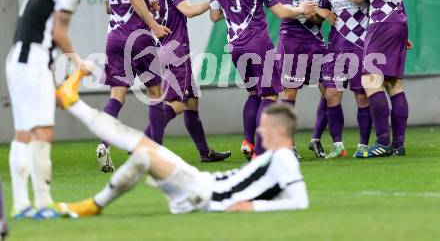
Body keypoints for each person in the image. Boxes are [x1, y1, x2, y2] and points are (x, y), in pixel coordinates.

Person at [54, 72, 309, 215]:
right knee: (141, 147)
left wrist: (252, 206)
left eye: (264, 125)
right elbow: (280, 192)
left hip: (203, 194)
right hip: (200, 182)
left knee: (141, 150)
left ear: (278, 130)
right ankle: (71, 102)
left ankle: (93, 205)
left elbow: (299, 202)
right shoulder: (276, 158)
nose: (259, 129)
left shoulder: (284, 158)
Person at [5, 0, 111, 218]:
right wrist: (79, 63)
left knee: (24, 133)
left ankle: (23, 205)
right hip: (31, 61)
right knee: (41, 132)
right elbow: (59, 33)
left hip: (20, 60)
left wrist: (52, 86)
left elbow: (44, 36)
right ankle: (42, 204)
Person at [209, 0, 317, 158]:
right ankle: (260, 151)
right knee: (268, 96)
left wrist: (231, 10)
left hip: (236, 48)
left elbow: (214, 15)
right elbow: (280, 12)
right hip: (259, 45)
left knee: (252, 93)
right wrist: (301, 9)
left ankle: (249, 142)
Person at [329, 0, 410, 157]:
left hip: (382, 22)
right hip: (398, 18)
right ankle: (398, 144)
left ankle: (383, 142)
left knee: (370, 80)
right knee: (393, 83)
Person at [143, 0, 231, 162]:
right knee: (178, 103)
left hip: (164, 49)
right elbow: (188, 11)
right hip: (175, 50)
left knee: (192, 102)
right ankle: (142, 142)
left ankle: (205, 153)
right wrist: (213, 2)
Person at [97, 0, 171, 172]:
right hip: (137, 37)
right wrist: (153, 24)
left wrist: (148, 5)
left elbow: (109, 8)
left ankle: (103, 144)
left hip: (114, 39)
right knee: (155, 93)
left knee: (116, 96)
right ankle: (156, 152)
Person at [276, 0, 337, 158]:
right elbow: (287, 10)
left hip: (316, 40)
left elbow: (325, 7)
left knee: (330, 91)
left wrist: (319, 12)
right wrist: (317, 12)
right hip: (292, 39)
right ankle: (288, 146)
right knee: (290, 93)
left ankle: (316, 139)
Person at [317, 0, 372, 159]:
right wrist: (320, 11)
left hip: (362, 48)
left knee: (362, 97)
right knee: (331, 95)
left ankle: (364, 145)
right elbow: (322, 9)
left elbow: (377, 4)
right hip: (336, 49)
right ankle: (338, 145)